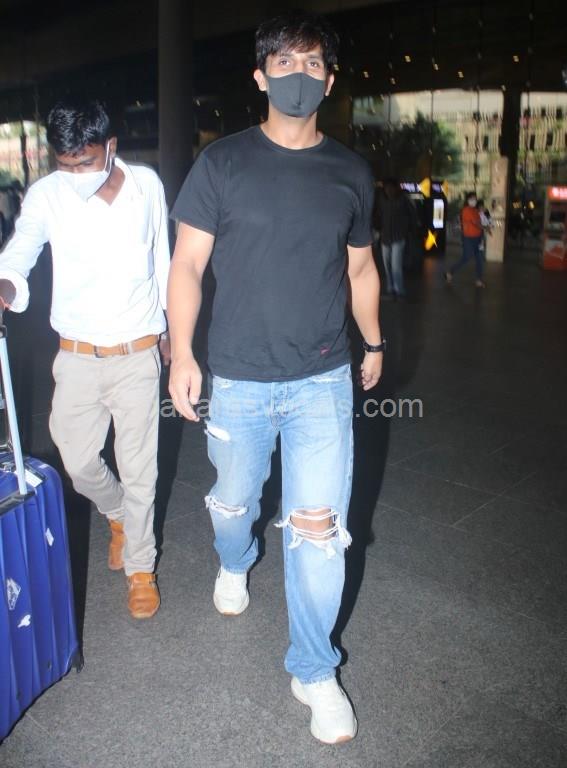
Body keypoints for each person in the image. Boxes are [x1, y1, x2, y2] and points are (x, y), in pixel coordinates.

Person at [168, 11, 383, 745]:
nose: (299, 76)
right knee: (234, 503)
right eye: (284, 63)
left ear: (330, 79)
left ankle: (313, 669)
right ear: (260, 76)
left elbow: (360, 269)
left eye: (312, 63)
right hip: (238, 378)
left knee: (319, 532)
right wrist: (183, 353)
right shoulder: (222, 163)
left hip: (322, 379)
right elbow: (187, 265)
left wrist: (374, 341)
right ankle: (235, 559)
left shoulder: (350, 172)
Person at [0, 99, 170, 619]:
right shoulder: (47, 194)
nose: (75, 175)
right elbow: (22, 247)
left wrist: (170, 330)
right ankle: (117, 513)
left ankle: (141, 567)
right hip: (76, 354)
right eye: (65, 164)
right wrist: (6, 284)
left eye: (86, 163)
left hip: (137, 351)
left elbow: (162, 260)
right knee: (75, 461)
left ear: (109, 147)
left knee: (140, 469)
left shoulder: (146, 186)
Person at [376, 177, 412, 299]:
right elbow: (378, 216)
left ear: (396, 188)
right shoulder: (382, 200)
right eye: (387, 188)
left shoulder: (402, 200)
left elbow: (410, 215)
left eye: (391, 188)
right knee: (387, 264)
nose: (389, 190)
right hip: (385, 237)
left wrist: (406, 230)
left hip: (398, 237)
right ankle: (390, 287)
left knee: (396, 264)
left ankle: (398, 289)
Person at [444, 191, 485, 288]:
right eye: (472, 199)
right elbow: (475, 223)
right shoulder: (466, 210)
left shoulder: (475, 210)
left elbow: (479, 222)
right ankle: (450, 273)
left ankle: (478, 280)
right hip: (468, 238)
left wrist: (482, 230)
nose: (474, 200)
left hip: (478, 238)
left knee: (479, 259)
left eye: (475, 199)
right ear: (468, 200)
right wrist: (485, 227)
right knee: (466, 257)